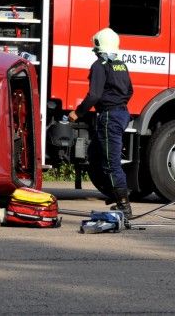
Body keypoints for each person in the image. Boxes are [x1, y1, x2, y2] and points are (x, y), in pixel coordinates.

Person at [68, 28, 134, 217]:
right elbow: (130, 91)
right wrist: (117, 102)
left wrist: (78, 113)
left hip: (109, 117)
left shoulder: (99, 65)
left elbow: (94, 95)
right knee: (96, 155)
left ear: (98, 45)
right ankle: (114, 193)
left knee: (111, 163)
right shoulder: (121, 65)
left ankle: (124, 205)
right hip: (121, 114)